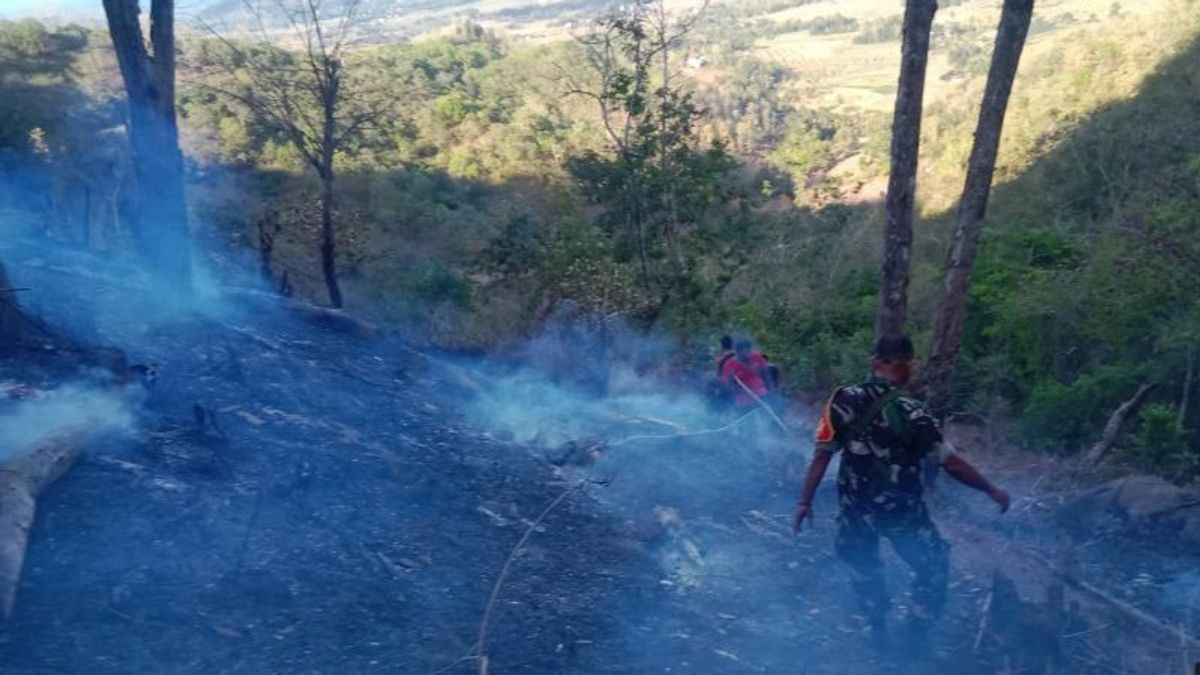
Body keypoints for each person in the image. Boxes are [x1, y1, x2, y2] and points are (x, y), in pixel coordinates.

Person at [791, 333, 1009, 650]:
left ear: (873, 363)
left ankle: (877, 627)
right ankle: (914, 636)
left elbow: (822, 454)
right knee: (933, 565)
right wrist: (991, 490)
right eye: (909, 362)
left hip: (856, 511)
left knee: (865, 566)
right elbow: (952, 464)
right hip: (901, 513)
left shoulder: (841, 400)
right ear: (908, 366)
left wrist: (804, 502)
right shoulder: (913, 412)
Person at [720, 338, 769, 410]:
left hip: (760, 390)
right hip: (743, 394)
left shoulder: (757, 357)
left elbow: (766, 373)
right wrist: (737, 390)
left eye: (748, 349)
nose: (747, 352)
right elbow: (727, 384)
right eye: (743, 350)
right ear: (738, 352)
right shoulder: (730, 365)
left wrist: (770, 388)